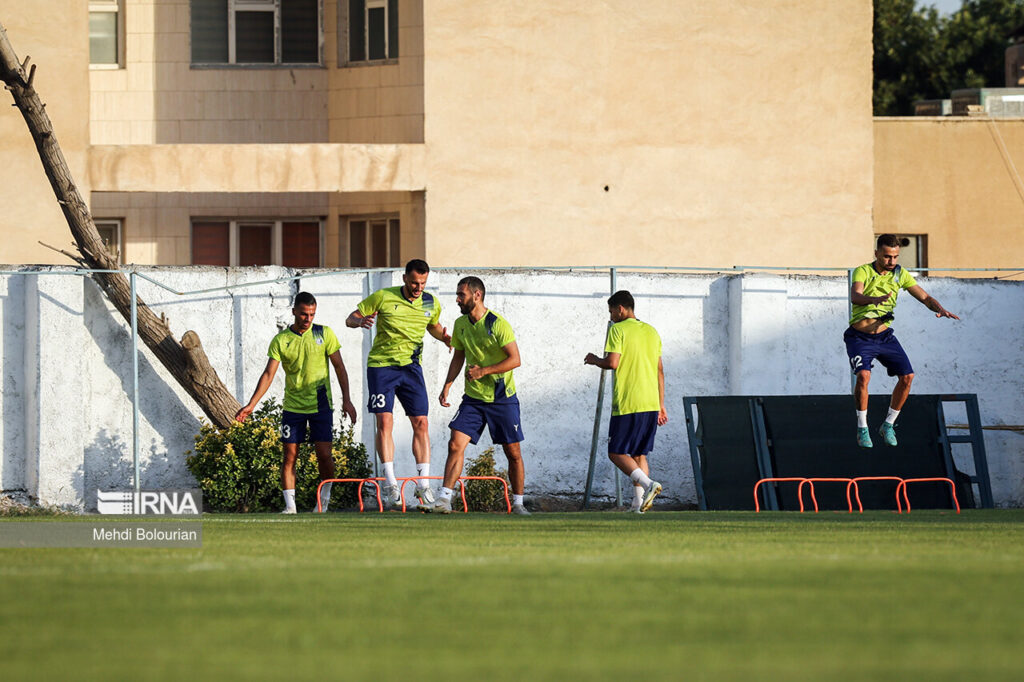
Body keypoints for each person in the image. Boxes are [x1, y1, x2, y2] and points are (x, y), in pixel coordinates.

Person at [235, 292, 357, 514]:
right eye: (303, 314)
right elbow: (268, 374)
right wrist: (252, 404)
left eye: (312, 314)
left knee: (324, 455)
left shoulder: (324, 333)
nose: (308, 319)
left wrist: (346, 400)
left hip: (321, 405)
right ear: (294, 312)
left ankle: (324, 501)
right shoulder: (281, 340)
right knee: (290, 456)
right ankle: (290, 507)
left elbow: (340, 367)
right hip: (293, 408)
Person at [347, 259, 450, 510]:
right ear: (404, 278)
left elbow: (433, 326)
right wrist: (361, 322)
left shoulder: (430, 302)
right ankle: (390, 483)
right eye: (414, 282)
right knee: (385, 421)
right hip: (382, 367)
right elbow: (351, 318)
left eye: (423, 283)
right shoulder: (383, 296)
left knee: (422, 423)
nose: (418, 288)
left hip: (412, 368)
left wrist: (445, 338)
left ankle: (423, 485)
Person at [845, 234, 960, 448]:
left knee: (907, 377)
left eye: (895, 257)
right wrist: (874, 300)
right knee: (863, 375)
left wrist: (940, 308)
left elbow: (925, 298)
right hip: (859, 337)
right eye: (887, 256)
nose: (891, 261)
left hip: (884, 336)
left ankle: (888, 424)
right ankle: (862, 428)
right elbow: (856, 296)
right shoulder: (864, 271)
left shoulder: (900, 274)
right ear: (876, 253)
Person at [430, 276, 530, 515]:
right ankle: (444, 500)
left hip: (501, 397)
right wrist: (447, 385)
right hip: (473, 398)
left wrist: (483, 371)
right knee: (455, 444)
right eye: (457, 294)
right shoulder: (460, 324)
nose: (457, 299)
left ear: (477, 295)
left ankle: (518, 504)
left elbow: (515, 360)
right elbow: (459, 356)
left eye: (461, 295)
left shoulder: (497, 324)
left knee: (513, 452)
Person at [584, 290, 667, 513]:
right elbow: (659, 370)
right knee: (639, 454)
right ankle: (638, 505)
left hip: (629, 402)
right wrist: (661, 405)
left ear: (620, 309)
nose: (611, 316)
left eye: (611, 311)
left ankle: (649, 485)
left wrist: (594, 360)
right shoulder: (651, 331)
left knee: (616, 452)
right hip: (651, 403)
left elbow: (612, 363)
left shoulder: (618, 329)